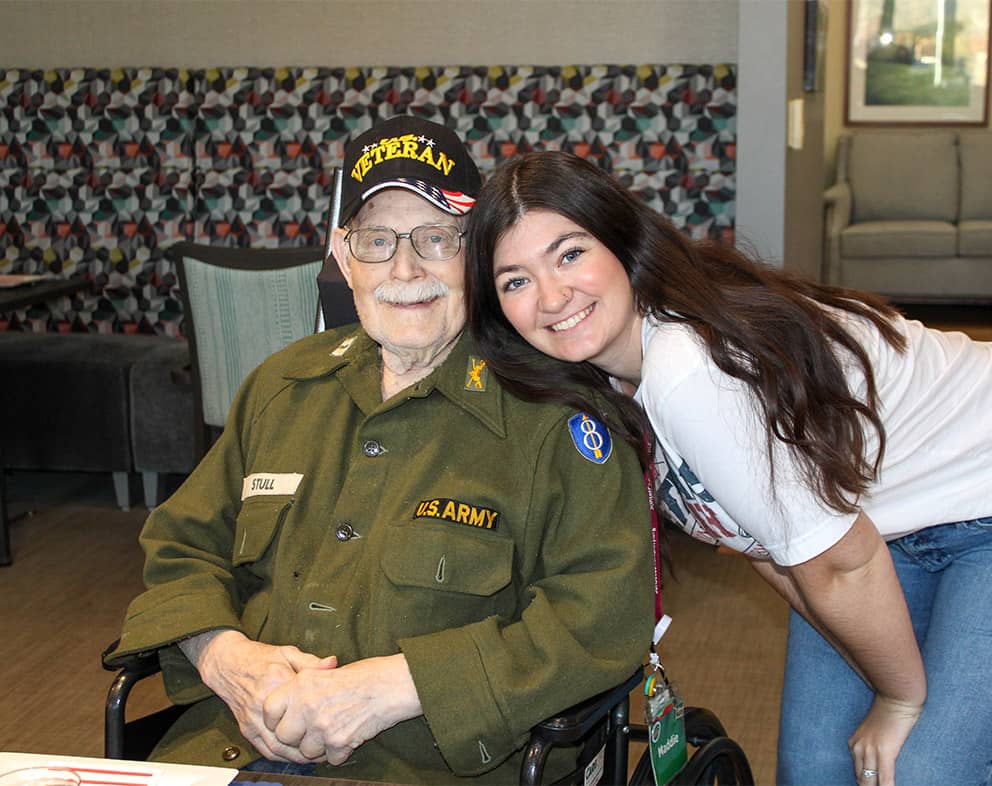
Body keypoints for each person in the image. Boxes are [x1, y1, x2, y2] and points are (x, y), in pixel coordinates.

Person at [463, 150, 992, 786]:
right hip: (879, 522)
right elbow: (768, 545)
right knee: (815, 766)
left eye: (570, 254)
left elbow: (841, 564)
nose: (552, 296)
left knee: (919, 772)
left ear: (622, 241)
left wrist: (898, 698)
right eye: (515, 281)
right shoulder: (600, 386)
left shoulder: (688, 367)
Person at [105, 120, 655, 785]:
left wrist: (398, 686)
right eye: (377, 240)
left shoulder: (554, 416)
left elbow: (600, 618)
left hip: (425, 767)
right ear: (344, 257)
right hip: (227, 748)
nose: (405, 269)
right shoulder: (282, 387)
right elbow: (181, 545)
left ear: (475, 256)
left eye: (435, 238)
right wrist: (225, 658)